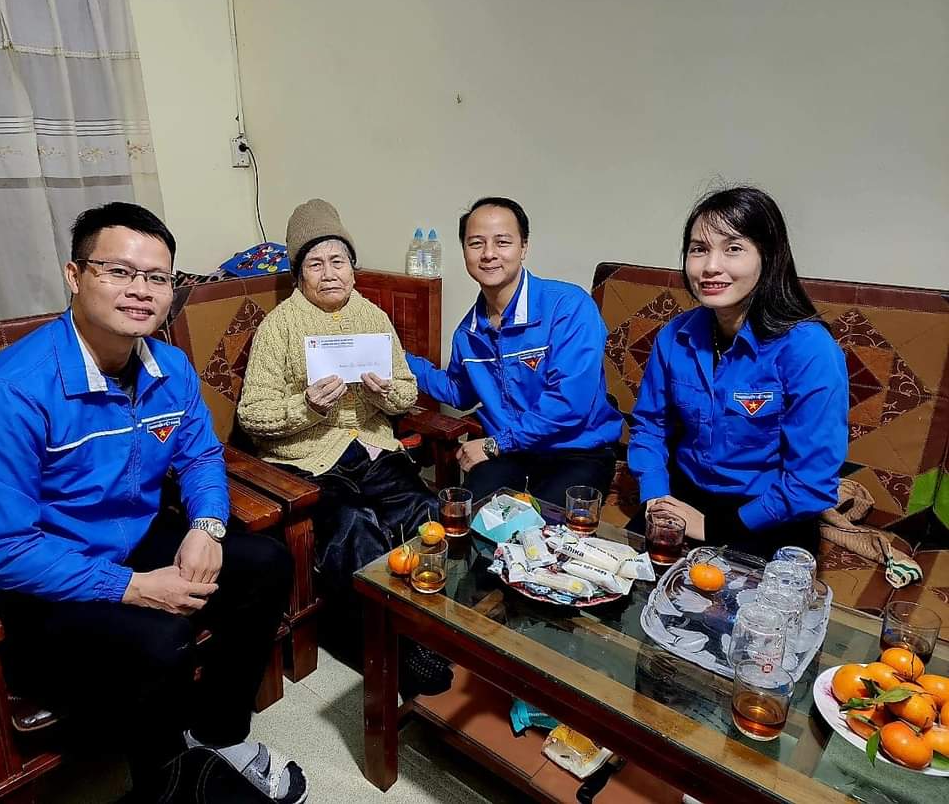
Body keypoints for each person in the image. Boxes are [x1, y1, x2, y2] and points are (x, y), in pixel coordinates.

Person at [0, 202, 307, 804]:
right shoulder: (5, 395)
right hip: (35, 582)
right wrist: (132, 588)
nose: (141, 290)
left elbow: (200, 456)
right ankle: (166, 786)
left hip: (128, 539)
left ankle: (217, 735)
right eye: (118, 271)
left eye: (158, 277)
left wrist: (207, 526)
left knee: (265, 563)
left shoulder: (171, 367)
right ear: (74, 275)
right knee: (161, 641)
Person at [237, 198, 449, 695]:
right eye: (315, 264)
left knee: (426, 511)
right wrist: (305, 406)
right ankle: (393, 649)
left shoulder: (373, 316)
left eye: (338, 261)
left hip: (372, 449)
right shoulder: (278, 327)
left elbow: (406, 391)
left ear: (353, 268)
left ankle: (436, 627)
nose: (329, 273)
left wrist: (385, 395)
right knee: (356, 526)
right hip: (308, 460)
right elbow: (252, 415)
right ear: (299, 275)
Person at [627, 186, 848, 560]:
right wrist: (656, 497)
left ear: (769, 257)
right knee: (612, 580)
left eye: (733, 248)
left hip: (768, 511)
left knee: (726, 596)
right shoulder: (675, 336)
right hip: (683, 494)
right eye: (699, 249)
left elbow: (810, 483)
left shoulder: (809, 349)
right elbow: (650, 426)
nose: (711, 266)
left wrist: (715, 527)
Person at [406, 196, 623, 508]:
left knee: (544, 529)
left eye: (502, 242)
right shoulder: (468, 333)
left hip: (575, 449)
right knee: (470, 517)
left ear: (524, 247)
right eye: (476, 243)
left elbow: (569, 403)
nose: (488, 253)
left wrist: (495, 444)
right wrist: (398, 359)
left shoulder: (568, 306)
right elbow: (459, 391)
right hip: (511, 453)